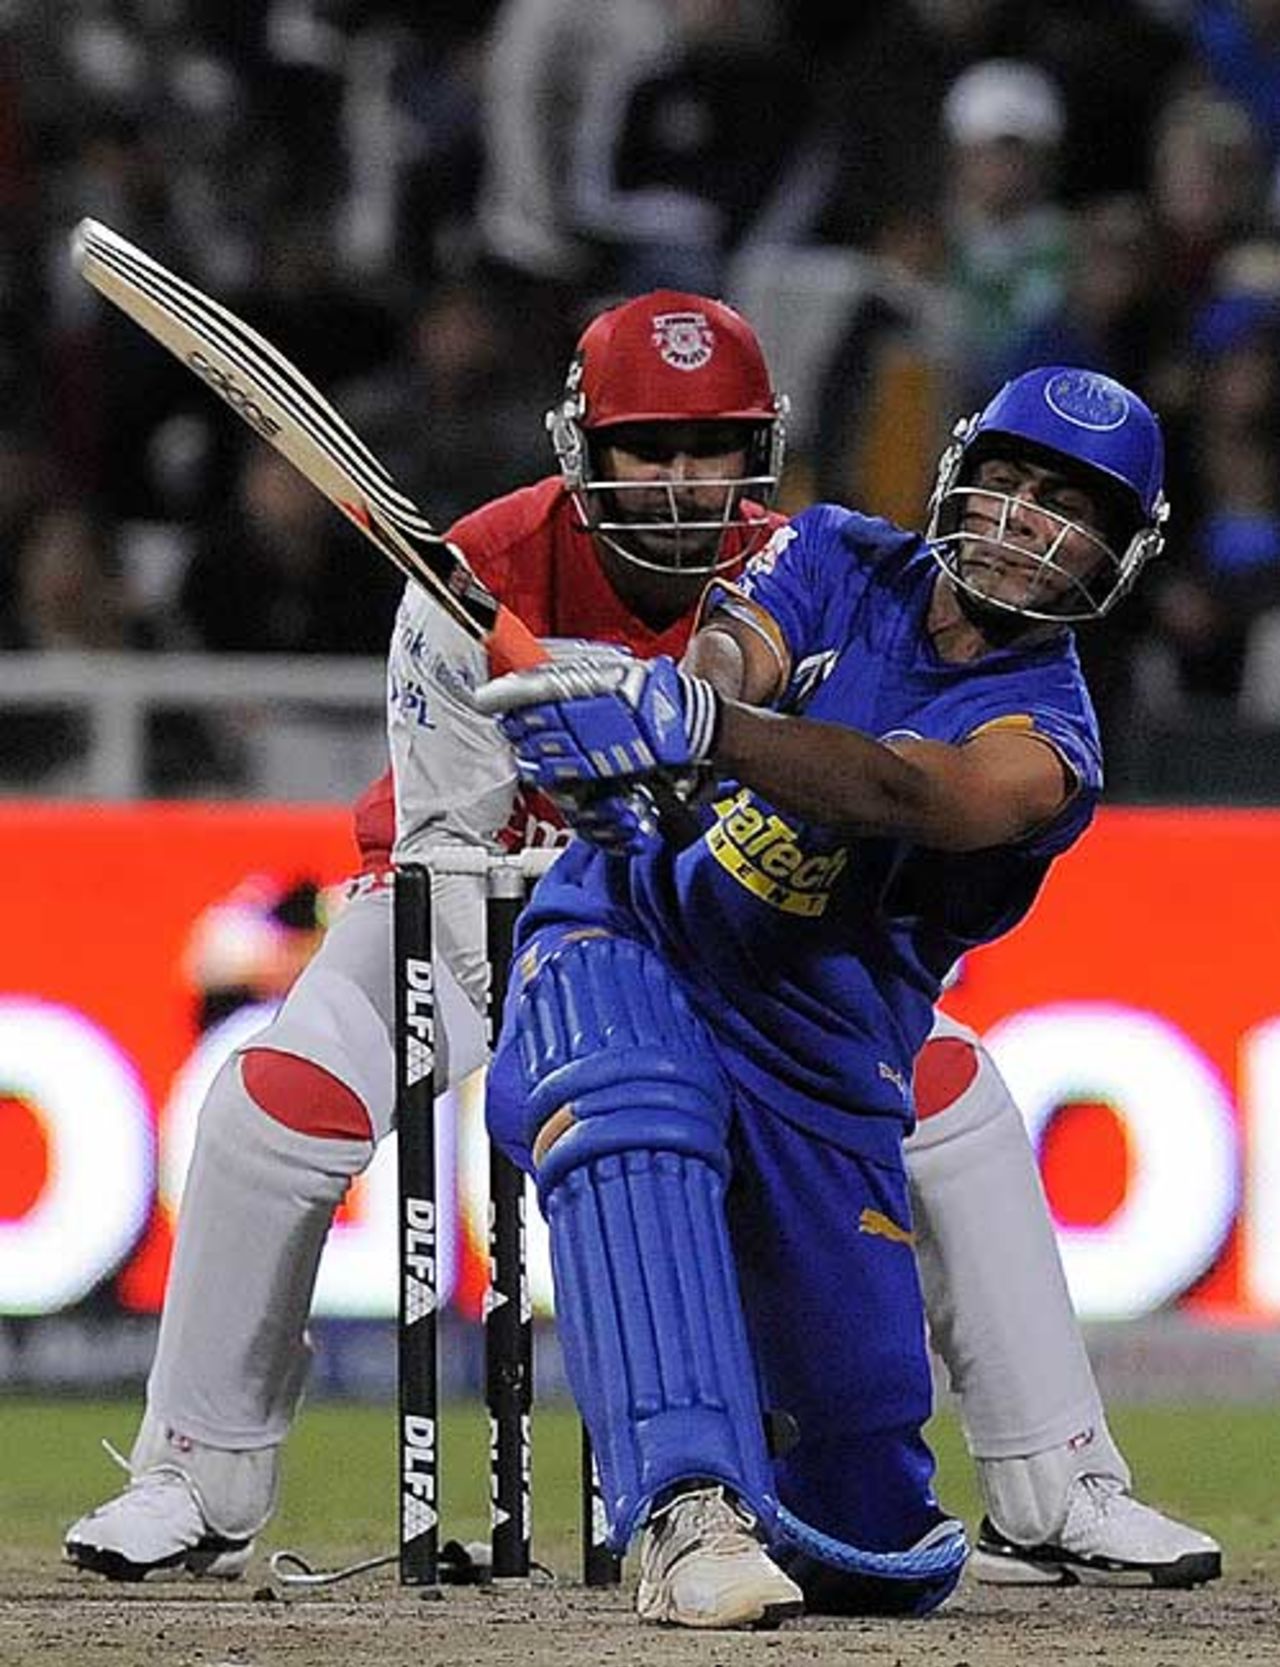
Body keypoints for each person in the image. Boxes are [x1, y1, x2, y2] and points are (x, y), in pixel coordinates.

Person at [63, 295, 1219, 1597]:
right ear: (585, 446)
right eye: (647, 446)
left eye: (710, 448)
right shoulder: (483, 564)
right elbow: (451, 844)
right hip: (460, 911)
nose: (680, 482)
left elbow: (824, 749)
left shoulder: (809, 556)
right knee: (270, 1110)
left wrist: (677, 749)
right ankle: (197, 1474)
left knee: (960, 1100)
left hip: (720, 920)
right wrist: (632, 799)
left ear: (754, 453)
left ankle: (1056, 1480)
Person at [470, 360, 1202, 1626]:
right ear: (956, 476)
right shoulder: (830, 551)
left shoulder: (1048, 742)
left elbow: (907, 791)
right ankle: (680, 1507)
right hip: (630, 937)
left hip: (819, 1069)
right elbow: (735, 647)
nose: (1026, 520)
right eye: (1011, 482)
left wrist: (691, 726)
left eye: (1068, 506)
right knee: (628, 1093)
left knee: (867, 1531)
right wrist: (667, 715)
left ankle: (805, 1495)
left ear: (1118, 554)